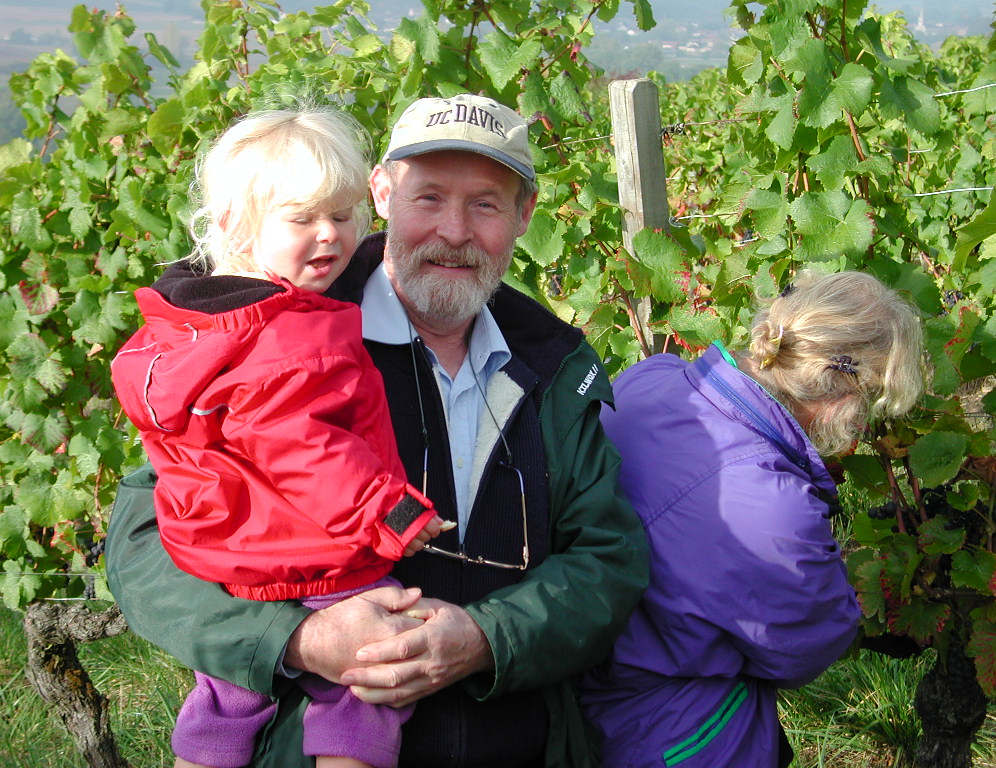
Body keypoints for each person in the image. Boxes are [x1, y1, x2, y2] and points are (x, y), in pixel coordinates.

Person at [105, 92, 649, 768]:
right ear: (383, 192)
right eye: (428, 198)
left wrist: (486, 639)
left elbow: (607, 563)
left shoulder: (553, 367)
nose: (454, 230)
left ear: (523, 217)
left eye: (485, 203)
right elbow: (144, 542)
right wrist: (300, 640)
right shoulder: (275, 341)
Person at [110, 106, 450, 768]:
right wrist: (392, 512)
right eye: (302, 220)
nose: (330, 236)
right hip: (312, 554)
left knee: (225, 701)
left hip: (228, 555)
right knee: (367, 683)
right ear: (236, 225)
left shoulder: (192, 325)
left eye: (344, 215)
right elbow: (308, 452)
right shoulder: (291, 334)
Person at [579, 270, 926, 768]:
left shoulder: (650, 377)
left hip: (581, 701)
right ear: (844, 400)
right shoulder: (776, 508)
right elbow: (803, 651)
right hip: (679, 736)